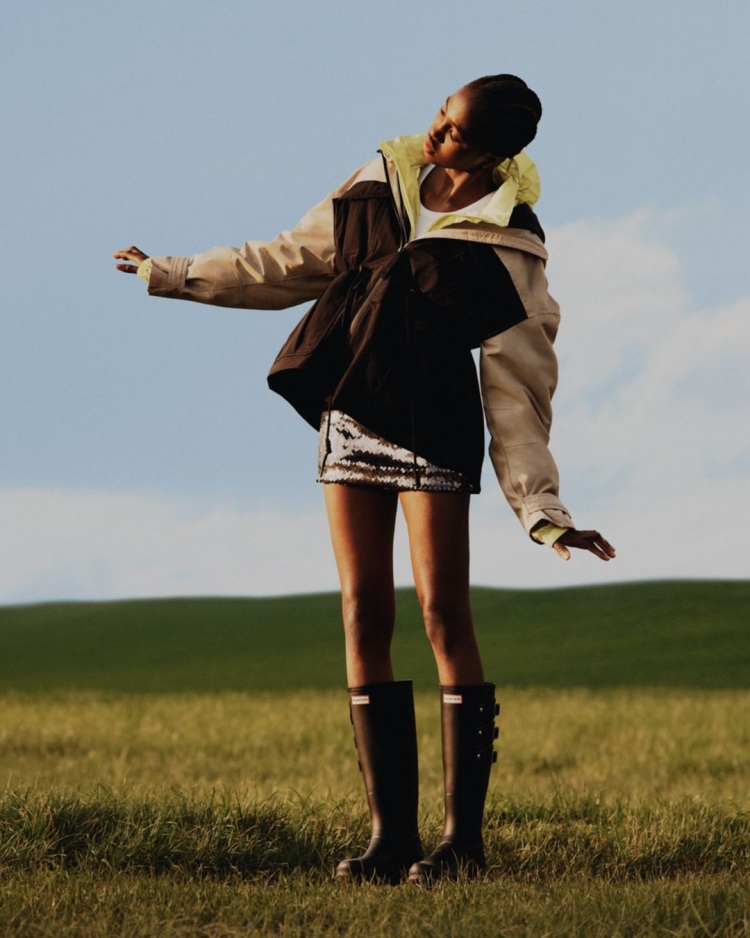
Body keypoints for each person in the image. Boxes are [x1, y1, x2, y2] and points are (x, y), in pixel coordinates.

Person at [115, 74, 615, 885]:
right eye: (440, 114)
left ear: (492, 152)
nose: (433, 132)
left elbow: (520, 382)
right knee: (361, 611)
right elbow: (289, 260)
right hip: (350, 411)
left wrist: (541, 508)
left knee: (443, 613)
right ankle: (389, 840)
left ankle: (462, 845)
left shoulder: (511, 243)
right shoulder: (377, 180)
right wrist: (172, 272)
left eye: (453, 131)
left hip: (435, 429)